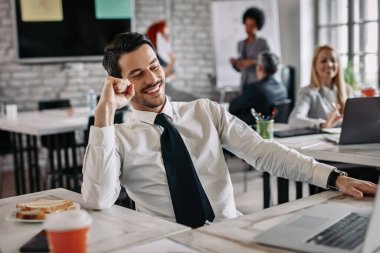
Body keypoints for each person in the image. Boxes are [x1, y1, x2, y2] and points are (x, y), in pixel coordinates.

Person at [81, 32, 376, 228]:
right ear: (119, 83)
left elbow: (262, 151)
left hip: (230, 230)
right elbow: (98, 199)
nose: (153, 78)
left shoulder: (204, 111)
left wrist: (333, 177)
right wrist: (104, 112)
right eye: (137, 73)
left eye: (155, 66)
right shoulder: (117, 137)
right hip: (168, 243)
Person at [288, 45, 349, 129]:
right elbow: (294, 120)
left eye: (333, 60)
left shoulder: (347, 90)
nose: (329, 64)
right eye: (323, 61)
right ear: (315, 66)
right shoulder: (307, 92)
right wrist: (322, 124)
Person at [229, 51, 287, 126]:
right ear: (276, 69)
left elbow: (232, 108)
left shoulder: (256, 89)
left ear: (259, 67)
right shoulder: (283, 89)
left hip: (253, 131)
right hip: (274, 129)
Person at [230, 7, 270, 91]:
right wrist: (235, 64)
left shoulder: (263, 43)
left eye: (252, 26)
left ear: (258, 26)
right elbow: (241, 69)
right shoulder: (240, 44)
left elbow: (270, 64)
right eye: (247, 25)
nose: (249, 29)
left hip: (258, 85)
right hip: (244, 85)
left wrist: (252, 62)